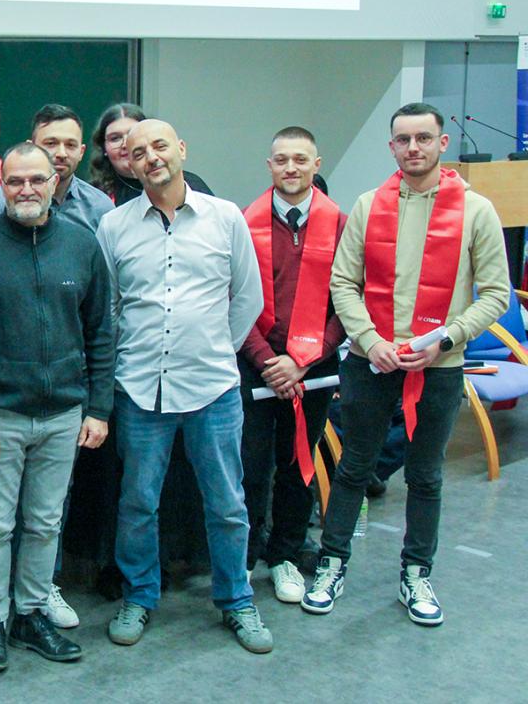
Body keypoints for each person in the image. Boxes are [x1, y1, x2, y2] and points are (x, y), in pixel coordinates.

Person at [302, 103, 510, 625]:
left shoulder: (477, 211)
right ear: (392, 146)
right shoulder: (371, 206)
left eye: (423, 138)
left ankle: (417, 574)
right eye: (403, 140)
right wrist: (369, 340)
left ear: (443, 144)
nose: (412, 148)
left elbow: (497, 294)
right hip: (372, 363)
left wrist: (447, 340)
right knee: (354, 467)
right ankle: (331, 562)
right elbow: (343, 284)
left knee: (426, 476)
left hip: (438, 366)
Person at [98, 119, 274, 654]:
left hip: (213, 389)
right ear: (126, 162)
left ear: (180, 149)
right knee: (138, 503)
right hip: (140, 391)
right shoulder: (114, 227)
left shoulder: (225, 219)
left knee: (226, 503)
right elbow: (109, 306)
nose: (151, 157)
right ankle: (140, 595)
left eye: (159, 146)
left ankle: (237, 600)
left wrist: (213, 346)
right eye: (137, 151)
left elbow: (248, 299)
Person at [0, 142, 113, 674]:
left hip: (65, 413)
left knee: (45, 523)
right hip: (0, 414)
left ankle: (30, 613)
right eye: (15, 181)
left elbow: (101, 333)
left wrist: (99, 408)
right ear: (3, 185)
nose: (26, 190)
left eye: (36, 180)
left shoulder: (82, 245)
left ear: (53, 181)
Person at [236, 128, 346, 603]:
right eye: (281, 160)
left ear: (316, 163)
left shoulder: (340, 224)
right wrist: (268, 361)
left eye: (300, 159)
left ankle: (284, 556)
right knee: (250, 468)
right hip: (255, 368)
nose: (291, 168)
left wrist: (303, 360)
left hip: (314, 370)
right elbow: (233, 301)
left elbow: (351, 302)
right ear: (269, 166)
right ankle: (240, 559)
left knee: (299, 466)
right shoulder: (244, 222)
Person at [0, 103, 113, 233]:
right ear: (31, 146)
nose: (61, 154)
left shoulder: (99, 207)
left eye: (70, 145)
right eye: (51, 143)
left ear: (81, 152)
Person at [89, 103, 213, 205]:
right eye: (115, 138)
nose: (126, 144)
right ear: (103, 148)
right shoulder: (94, 198)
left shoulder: (191, 185)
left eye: (133, 133)